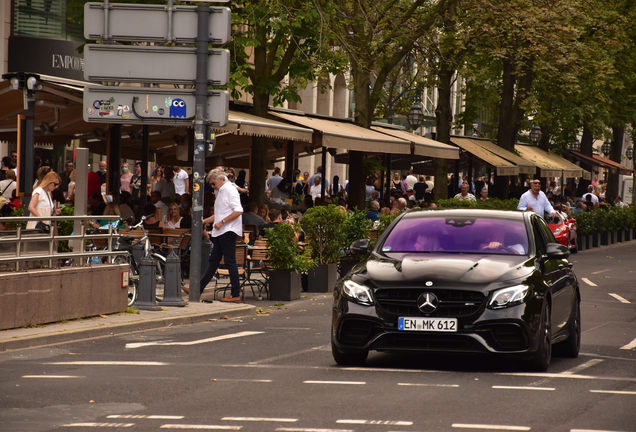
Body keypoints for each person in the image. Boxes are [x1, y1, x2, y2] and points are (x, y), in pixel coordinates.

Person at [190, 169, 243, 302]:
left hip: (228, 230)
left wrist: (222, 222)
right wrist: (205, 221)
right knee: (214, 261)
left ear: (221, 179)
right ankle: (198, 289)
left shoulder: (230, 190)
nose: (213, 187)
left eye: (213, 184)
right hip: (222, 230)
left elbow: (239, 210)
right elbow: (219, 214)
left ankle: (236, 293)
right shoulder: (221, 191)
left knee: (229, 261)